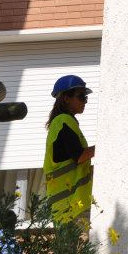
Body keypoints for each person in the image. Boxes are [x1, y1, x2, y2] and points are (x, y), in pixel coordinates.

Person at [43, 75, 95, 225]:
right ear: (66, 98)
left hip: (67, 206)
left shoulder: (63, 122)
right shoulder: (63, 121)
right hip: (71, 206)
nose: (85, 101)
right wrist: (106, 146)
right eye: (81, 97)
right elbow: (79, 156)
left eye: (85, 97)